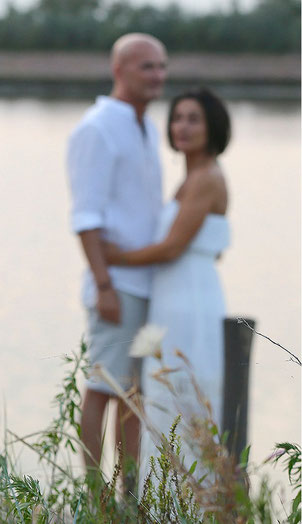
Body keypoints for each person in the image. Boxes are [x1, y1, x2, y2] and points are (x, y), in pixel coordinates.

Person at [103, 87, 231, 481]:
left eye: (193, 119)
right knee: (161, 396)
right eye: (177, 118)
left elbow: (173, 247)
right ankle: (160, 502)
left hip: (188, 302)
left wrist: (112, 257)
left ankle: (189, 505)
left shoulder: (206, 177)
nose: (182, 127)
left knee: (183, 393)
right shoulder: (189, 178)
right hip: (172, 297)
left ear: (213, 128)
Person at [66, 32, 168, 488]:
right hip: (117, 286)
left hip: (151, 287)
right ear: (119, 70)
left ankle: (127, 493)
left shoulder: (143, 124)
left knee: (135, 395)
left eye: (162, 66)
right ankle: (93, 494)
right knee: (104, 386)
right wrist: (103, 284)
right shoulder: (98, 126)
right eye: (147, 66)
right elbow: (86, 215)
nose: (157, 75)